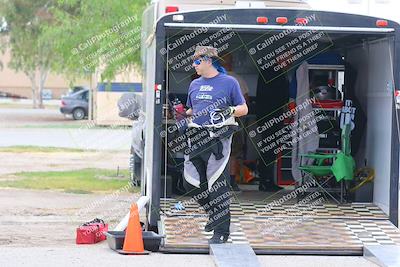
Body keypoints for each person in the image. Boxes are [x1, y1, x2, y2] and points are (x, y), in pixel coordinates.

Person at [183, 46, 248, 244]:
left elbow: (243, 109)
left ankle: (221, 232)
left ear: (208, 61)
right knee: (190, 183)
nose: (193, 65)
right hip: (197, 138)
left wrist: (229, 111)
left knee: (217, 187)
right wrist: (182, 113)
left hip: (218, 140)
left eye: (196, 61)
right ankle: (213, 214)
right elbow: (191, 110)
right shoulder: (194, 84)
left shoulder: (229, 82)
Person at [221, 53, 250, 192]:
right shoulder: (238, 79)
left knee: (216, 152)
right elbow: (246, 101)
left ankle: (218, 182)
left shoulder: (212, 79)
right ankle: (231, 181)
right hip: (234, 121)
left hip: (215, 122)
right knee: (233, 152)